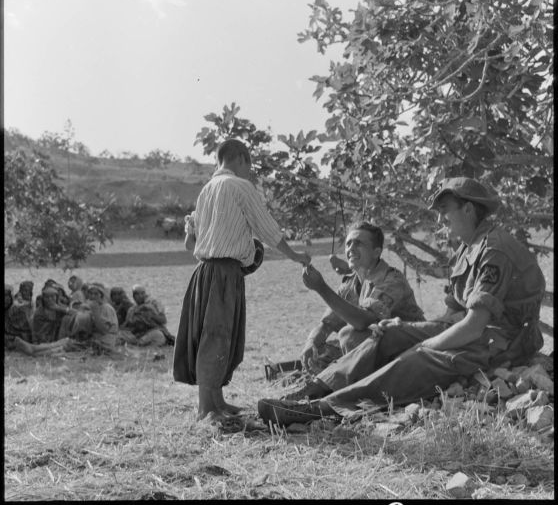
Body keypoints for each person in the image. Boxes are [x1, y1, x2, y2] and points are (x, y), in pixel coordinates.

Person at [258, 177, 547, 426]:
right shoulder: (467, 248)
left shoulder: (494, 249)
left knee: (418, 356)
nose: (440, 220)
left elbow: (474, 326)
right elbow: (453, 312)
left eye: (445, 211)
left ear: (468, 209)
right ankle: (314, 390)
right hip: (476, 331)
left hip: (502, 341)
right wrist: (408, 327)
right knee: (388, 334)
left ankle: (324, 409)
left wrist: (426, 342)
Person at [173, 138, 311, 422]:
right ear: (241, 159)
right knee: (217, 337)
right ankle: (206, 409)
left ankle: (217, 402)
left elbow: (190, 244)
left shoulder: (206, 190)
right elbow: (268, 229)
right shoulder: (239, 186)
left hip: (206, 272)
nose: (250, 172)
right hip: (223, 272)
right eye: (250, 166)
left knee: (217, 335)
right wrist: (296, 256)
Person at [297, 222, 424, 380]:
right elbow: (327, 324)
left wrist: (321, 288)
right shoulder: (351, 283)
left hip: (410, 350)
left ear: (376, 252)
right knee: (320, 351)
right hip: (376, 349)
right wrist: (311, 343)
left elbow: (362, 321)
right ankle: (328, 379)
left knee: (350, 336)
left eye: (359, 243)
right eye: (348, 243)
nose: (350, 248)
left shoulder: (391, 279)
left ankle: (337, 382)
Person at [5, 284, 33, 350]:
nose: (6, 298)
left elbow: (25, 332)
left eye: (8, 295)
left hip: (20, 340)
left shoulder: (17, 310)